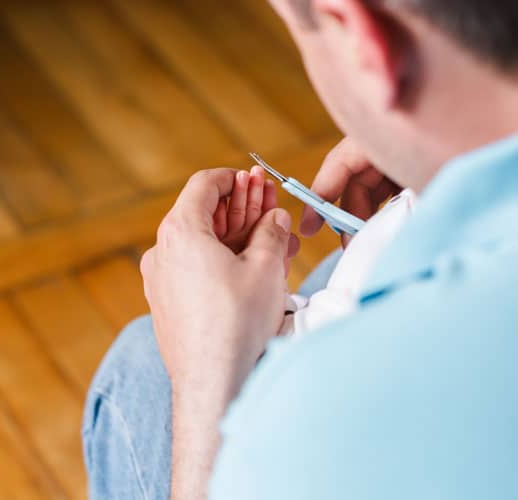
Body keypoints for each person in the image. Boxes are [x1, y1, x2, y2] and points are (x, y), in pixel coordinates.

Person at [83, 0, 518, 498]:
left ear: (361, 41)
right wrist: (431, 134)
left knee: (142, 369)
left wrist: (207, 378)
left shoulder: (317, 411)